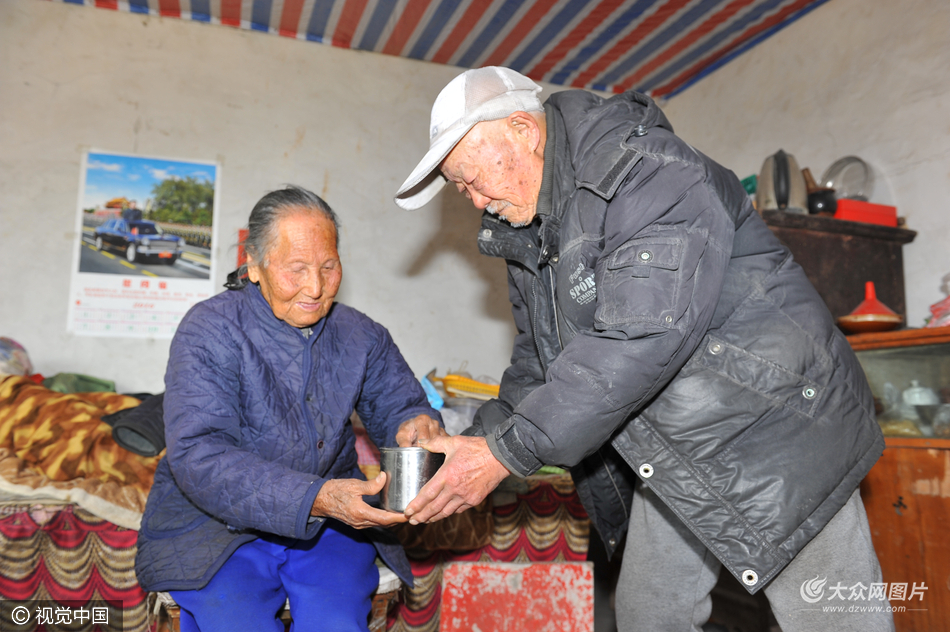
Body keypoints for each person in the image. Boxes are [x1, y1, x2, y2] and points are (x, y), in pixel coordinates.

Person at [393, 67, 893, 632]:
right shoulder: (532, 228)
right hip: (679, 438)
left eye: (473, 178)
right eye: (463, 190)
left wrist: (506, 454)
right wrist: (475, 443)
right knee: (650, 614)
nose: (477, 200)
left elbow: (641, 334)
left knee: (832, 620)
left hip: (778, 430)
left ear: (521, 130)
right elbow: (540, 359)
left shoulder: (645, 167)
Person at [135, 186, 443, 632]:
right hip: (217, 524)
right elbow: (199, 455)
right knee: (236, 620)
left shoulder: (361, 335)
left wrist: (415, 425)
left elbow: (401, 405)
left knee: (336, 622)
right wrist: (316, 497)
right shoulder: (209, 330)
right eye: (296, 269)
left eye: (328, 267)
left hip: (330, 528)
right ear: (254, 265)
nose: (315, 287)